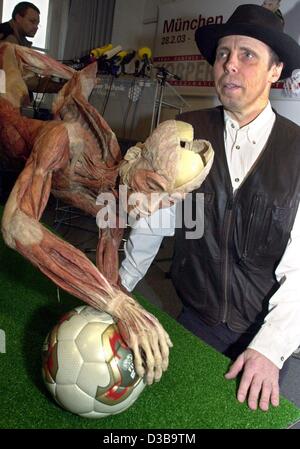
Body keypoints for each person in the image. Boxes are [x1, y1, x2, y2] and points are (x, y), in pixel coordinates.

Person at [119, 4, 300, 411]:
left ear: (276, 71)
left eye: (247, 55)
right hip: (192, 319)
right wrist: (120, 287)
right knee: (175, 414)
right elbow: (154, 222)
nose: (230, 65)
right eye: (223, 55)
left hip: (263, 335)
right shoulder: (185, 132)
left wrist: (270, 348)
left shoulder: (298, 152)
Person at [0, 2, 65, 94]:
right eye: (32, 21)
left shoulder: (16, 38)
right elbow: (29, 81)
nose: (36, 27)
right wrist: (65, 86)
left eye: (37, 24)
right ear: (18, 18)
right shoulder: (9, 40)